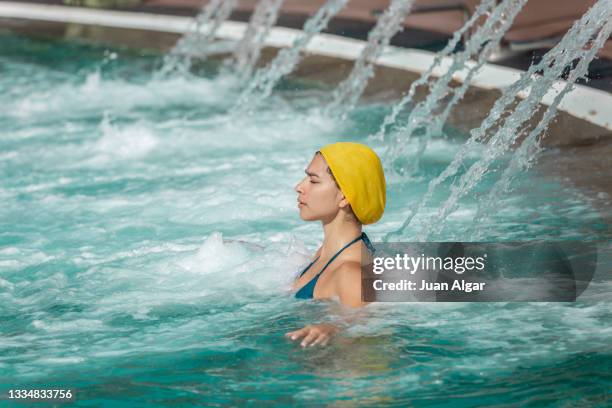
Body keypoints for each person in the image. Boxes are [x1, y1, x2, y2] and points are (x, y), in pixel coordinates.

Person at [285, 142, 386, 348]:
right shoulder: (327, 252)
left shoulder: (349, 272)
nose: (299, 186)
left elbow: (366, 326)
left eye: (313, 180)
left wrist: (335, 329)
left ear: (345, 196)